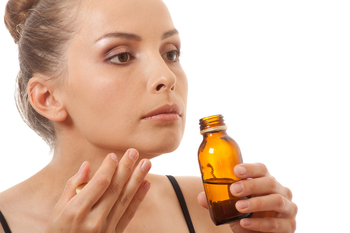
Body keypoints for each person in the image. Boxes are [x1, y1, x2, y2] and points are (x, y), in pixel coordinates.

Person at [0, 0, 298, 232]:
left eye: (170, 53)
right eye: (121, 56)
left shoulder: (209, 210)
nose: (166, 76)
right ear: (48, 97)